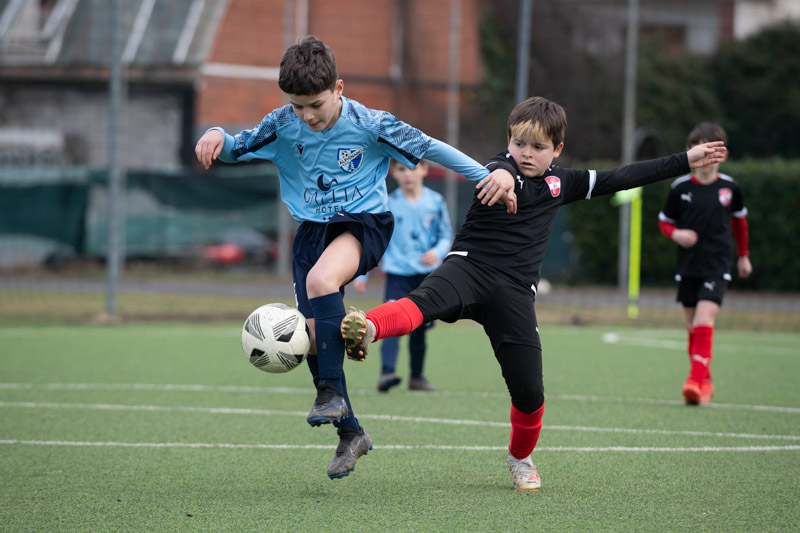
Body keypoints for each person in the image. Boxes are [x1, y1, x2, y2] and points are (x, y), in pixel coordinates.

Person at [340, 96, 727, 491]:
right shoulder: (496, 166)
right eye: (518, 143)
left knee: (530, 393)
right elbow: (500, 168)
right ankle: (368, 327)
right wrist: (504, 173)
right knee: (420, 304)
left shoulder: (563, 183)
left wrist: (684, 160)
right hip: (467, 268)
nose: (526, 153)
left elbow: (623, 176)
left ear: (557, 149)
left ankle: (520, 458)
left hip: (514, 293)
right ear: (508, 140)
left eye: (538, 147)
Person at [194, 36, 516, 480]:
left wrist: (489, 176)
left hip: (363, 224)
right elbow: (237, 146)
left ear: (339, 88)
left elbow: (431, 147)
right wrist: (215, 134)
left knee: (321, 282)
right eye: (298, 106)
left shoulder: (371, 123)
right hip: (311, 234)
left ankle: (330, 390)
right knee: (311, 336)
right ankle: (351, 433)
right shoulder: (282, 124)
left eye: (316, 105)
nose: (307, 116)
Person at [657, 122, 751, 406]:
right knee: (692, 326)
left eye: (712, 151)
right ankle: (705, 381)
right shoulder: (680, 187)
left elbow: (740, 223)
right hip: (688, 264)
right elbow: (664, 221)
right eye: (699, 150)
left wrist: (743, 255)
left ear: (722, 154)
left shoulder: (730, 187)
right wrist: (676, 234)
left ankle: (694, 381)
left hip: (717, 263)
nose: (706, 158)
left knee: (703, 320)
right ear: (689, 151)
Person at [353, 159, 453, 392]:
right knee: (391, 321)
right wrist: (362, 275)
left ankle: (417, 377)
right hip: (398, 275)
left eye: (413, 168)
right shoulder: (387, 204)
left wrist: (437, 252)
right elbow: (375, 241)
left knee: (420, 326)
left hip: (426, 277)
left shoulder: (436, 201)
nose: (408, 174)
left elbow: (446, 234)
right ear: (393, 173)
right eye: (401, 169)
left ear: (424, 170)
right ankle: (387, 373)